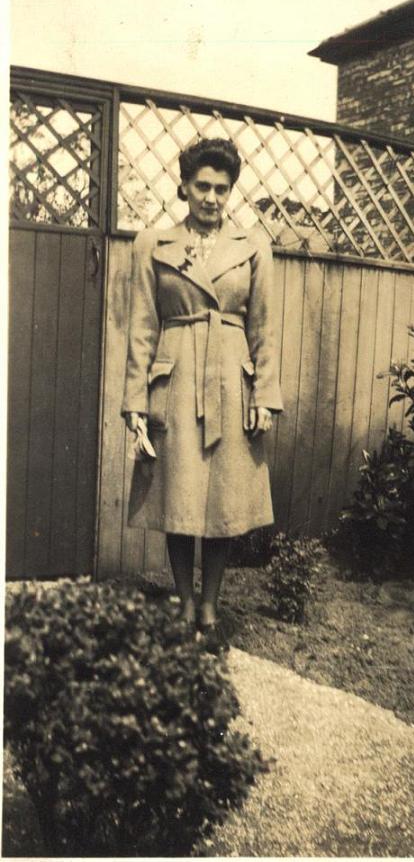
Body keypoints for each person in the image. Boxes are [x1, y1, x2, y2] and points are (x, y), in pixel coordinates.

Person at [121, 138, 283, 651]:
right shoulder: (154, 243)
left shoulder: (254, 246)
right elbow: (142, 327)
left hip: (230, 383)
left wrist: (264, 396)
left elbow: (265, 330)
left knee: (223, 499)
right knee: (180, 495)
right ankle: (184, 599)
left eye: (222, 188)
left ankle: (210, 604)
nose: (212, 198)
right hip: (176, 377)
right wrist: (135, 401)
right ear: (184, 188)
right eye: (203, 187)